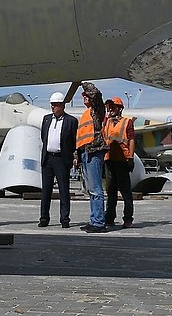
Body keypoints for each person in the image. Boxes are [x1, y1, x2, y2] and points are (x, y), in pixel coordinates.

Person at [39, 91, 78, 228]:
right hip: (48, 159)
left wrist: (73, 157)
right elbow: (43, 137)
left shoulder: (71, 121)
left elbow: (74, 141)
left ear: (62, 106)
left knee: (63, 190)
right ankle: (44, 218)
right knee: (46, 190)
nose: (53, 108)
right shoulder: (46, 119)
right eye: (52, 105)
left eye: (56, 105)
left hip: (62, 159)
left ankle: (65, 219)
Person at [75, 82, 108, 232]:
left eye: (86, 96)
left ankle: (99, 222)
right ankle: (94, 219)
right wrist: (77, 156)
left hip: (94, 151)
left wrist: (83, 84)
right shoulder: (85, 114)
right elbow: (81, 137)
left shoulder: (97, 110)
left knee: (96, 189)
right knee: (91, 189)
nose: (85, 98)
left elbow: (97, 95)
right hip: (86, 152)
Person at [103, 96, 136, 229]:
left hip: (122, 160)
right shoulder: (107, 122)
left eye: (113, 107)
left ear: (120, 109)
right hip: (109, 160)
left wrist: (131, 158)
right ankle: (109, 217)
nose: (111, 109)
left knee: (126, 192)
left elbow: (131, 139)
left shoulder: (127, 122)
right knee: (111, 191)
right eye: (110, 107)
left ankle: (128, 218)